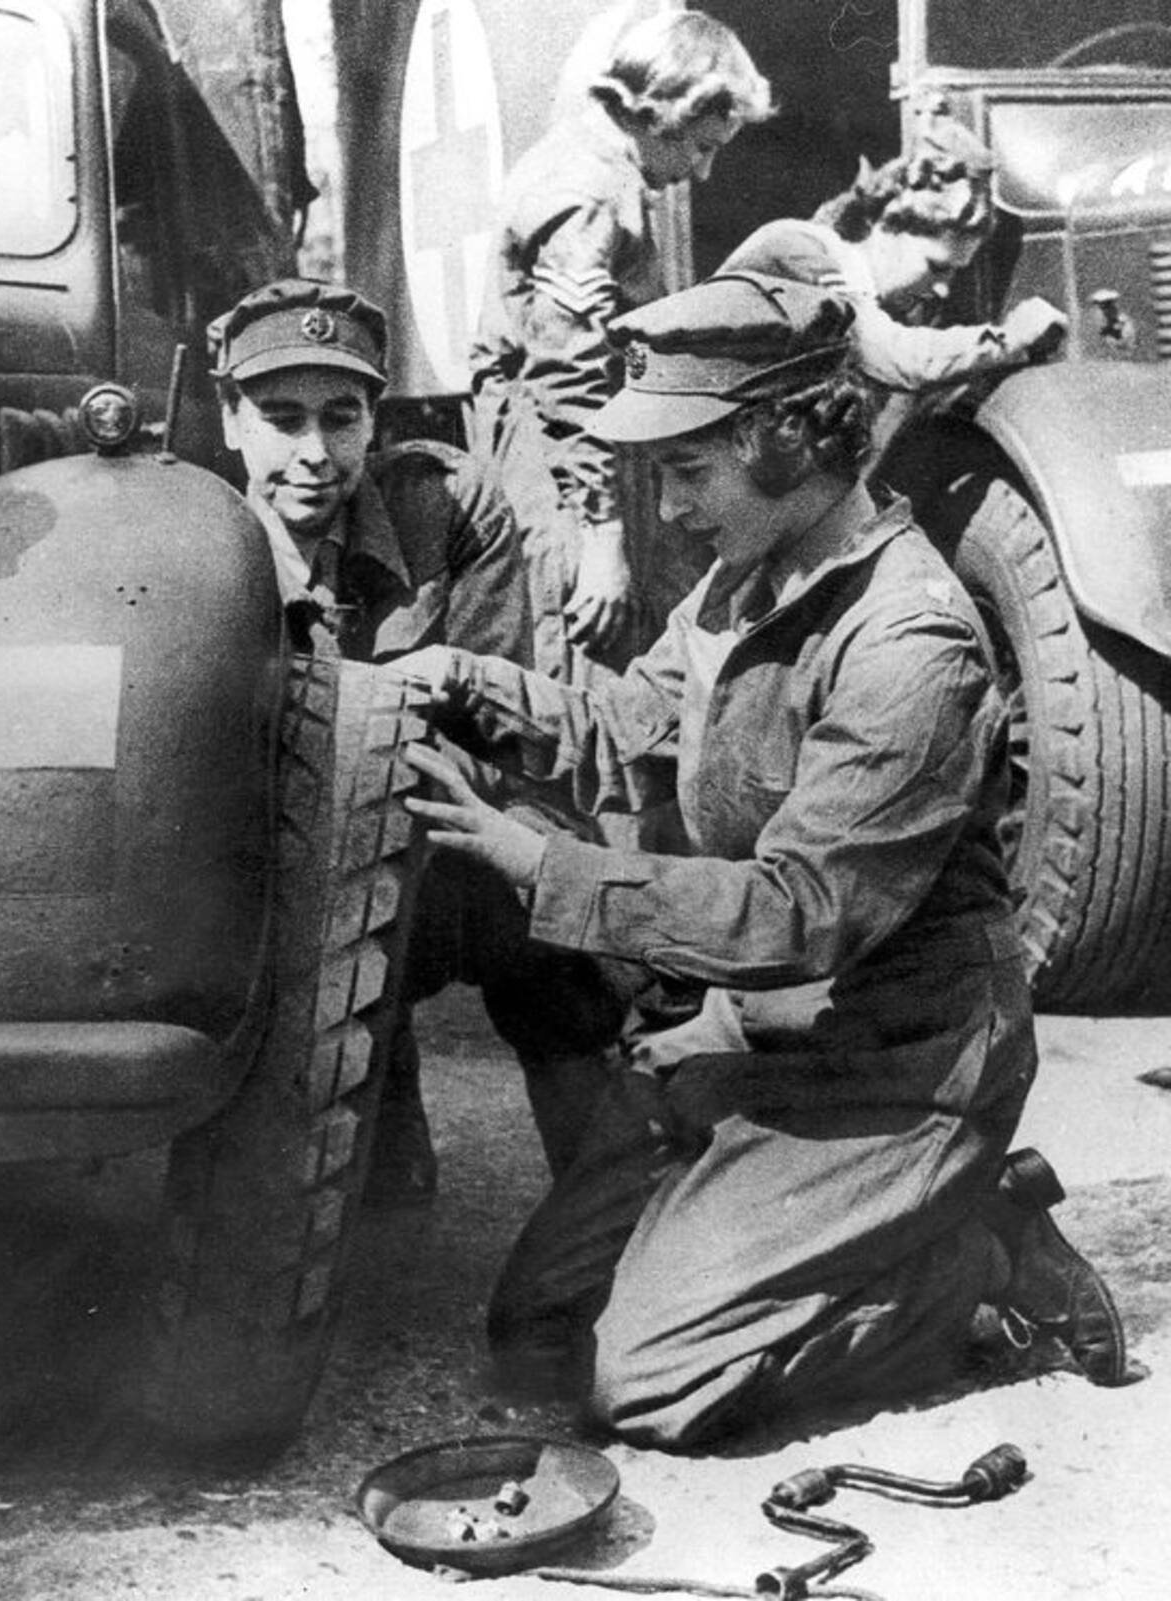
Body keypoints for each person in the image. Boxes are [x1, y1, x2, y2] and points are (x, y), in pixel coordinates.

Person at [398, 269, 1126, 1448]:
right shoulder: (744, 581)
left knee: (649, 1381)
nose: (671, 506)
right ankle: (807, 1221)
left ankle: (976, 1256)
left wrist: (539, 865)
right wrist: (470, 685)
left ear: (787, 438)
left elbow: (802, 911)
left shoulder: (910, 640)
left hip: (900, 1061)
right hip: (766, 1034)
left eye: (688, 469)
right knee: (539, 1332)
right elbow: (629, 726)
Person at [209, 278, 627, 1198]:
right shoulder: (198, 542)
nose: (314, 453)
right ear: (231, 420)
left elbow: (499, 729)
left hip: (438, 825)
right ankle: (375, 1134)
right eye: (282, 418)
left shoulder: (443, 505)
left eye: (341, 417)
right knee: (359, 1180)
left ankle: (612, 1209)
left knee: (548, 920)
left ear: (374, 419)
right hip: (283, 867)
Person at [468, 8, 772, 683]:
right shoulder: (587, 190)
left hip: (590, 454)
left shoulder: (596, 167)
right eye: (701, 147)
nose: (703, 171)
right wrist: (602, 537)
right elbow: (568, 373)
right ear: (663, 114)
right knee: (583, 654)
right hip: (562, 467)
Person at [720, 110, 1067, 453]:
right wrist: (1009, 338)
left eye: (954, 272)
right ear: (886, 225)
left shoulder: (879, 307)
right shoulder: (800, 249)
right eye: (936, 266)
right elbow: (892, 358)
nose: (944, 288)